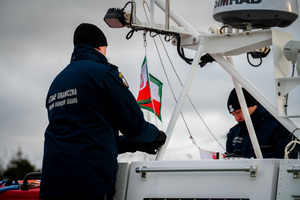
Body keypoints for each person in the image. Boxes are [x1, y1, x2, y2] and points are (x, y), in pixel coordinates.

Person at [39, 23, 166, 200]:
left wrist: (133, 144)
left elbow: (84, 137)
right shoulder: (104, 74)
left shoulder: (57, 82)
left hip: (52, 185)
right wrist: (156, 136)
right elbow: (135, 127)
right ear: (100, 47)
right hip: (89, 184)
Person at [225, 87, 295, 159]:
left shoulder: (280, 127)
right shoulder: (233, 133)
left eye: (238, 112)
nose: (237, 118)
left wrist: (248, 159)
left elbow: (286, 156)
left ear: (252, 106)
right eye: (233, 114)